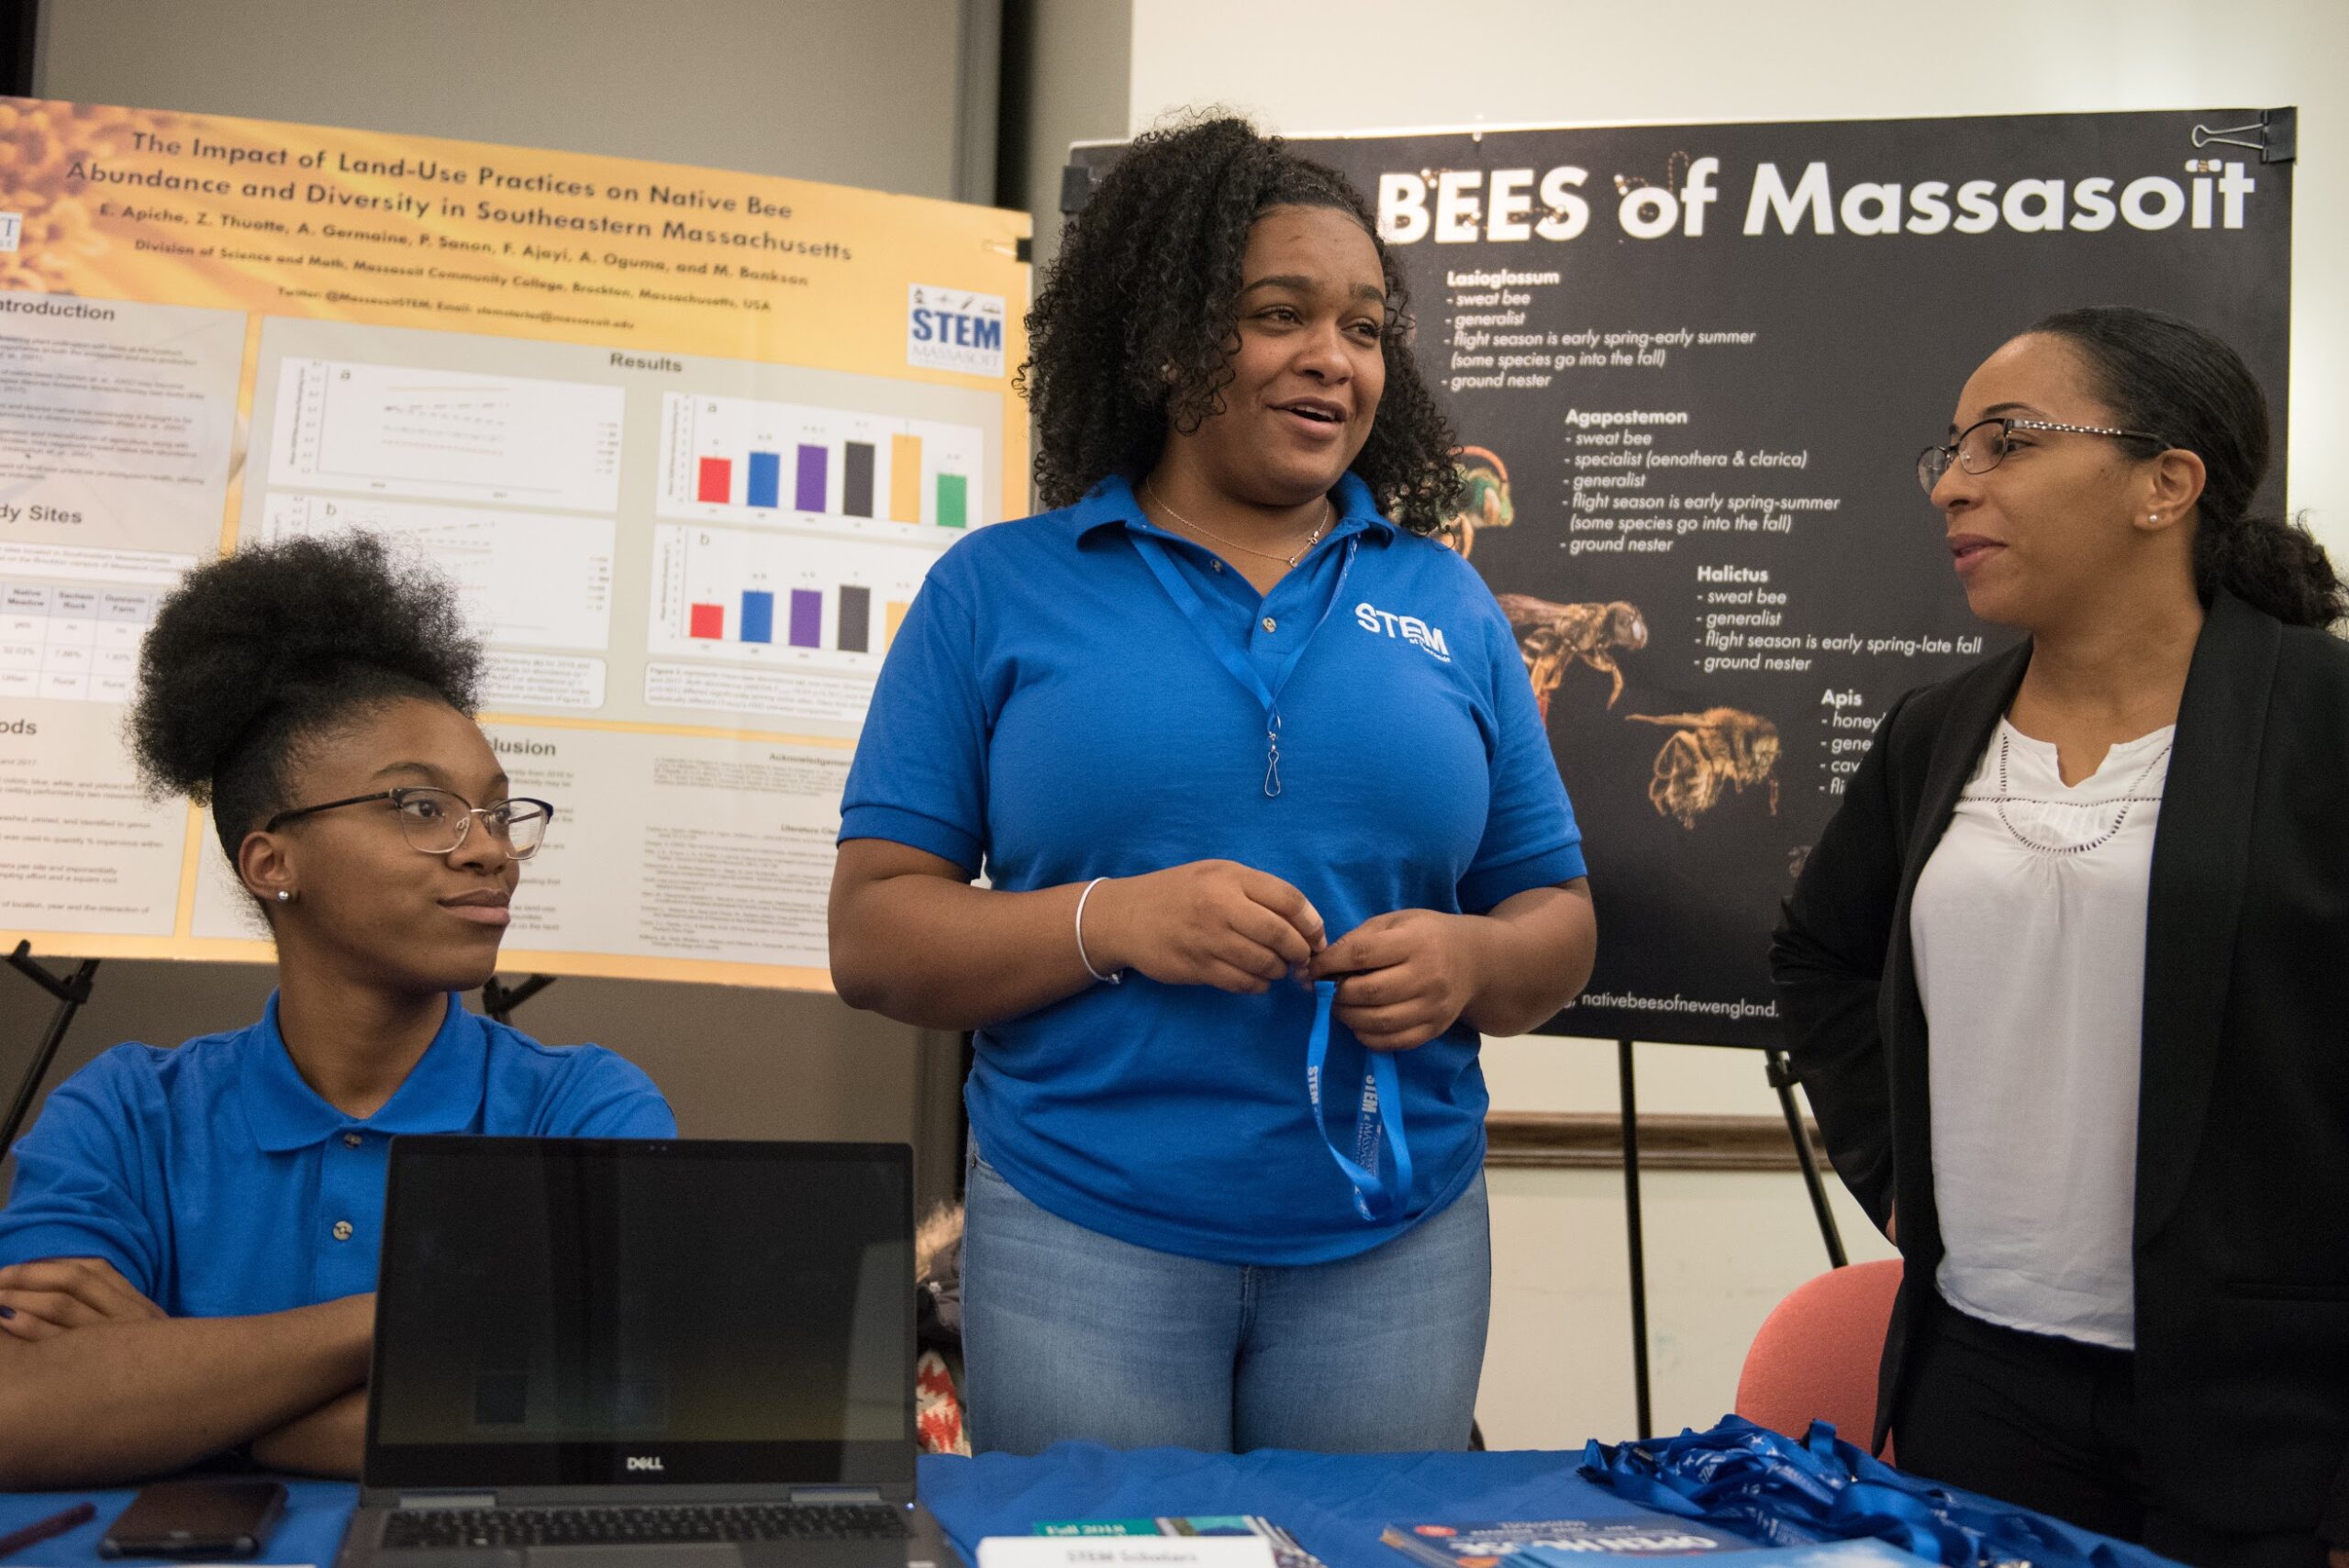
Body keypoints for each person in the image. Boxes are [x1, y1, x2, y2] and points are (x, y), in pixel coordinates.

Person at [828, 116, 1596, 1457]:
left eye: (1364, 329)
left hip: (1394, 1240)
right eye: (1278, 314)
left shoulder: (1448, 600)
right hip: (1083, 1230)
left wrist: (1471, 958)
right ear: (1170, 339)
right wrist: (1109, 921)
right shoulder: (999, 591)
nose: (1332, 359)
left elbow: (1558, 924)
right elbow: (876, 933)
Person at [1772, 306, 2349, 1568]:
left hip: (2271, 1410)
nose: (1955, 487)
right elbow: (1819, 958)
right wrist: (1908, 1182)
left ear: (2167, 483)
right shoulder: (1940, 729)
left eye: (2008, 443)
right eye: (1952, 453)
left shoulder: (2322, 722)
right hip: (1979, 1381)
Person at [0, 535, 675, 1488]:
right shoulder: (122, 1114)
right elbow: (22, 1414)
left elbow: (624, 1420)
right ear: (272, 861)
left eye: (495, 810)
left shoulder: (584, 1107)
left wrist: (183, 1386)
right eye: (422, 805)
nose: (492, 852)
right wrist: (423, 1315)